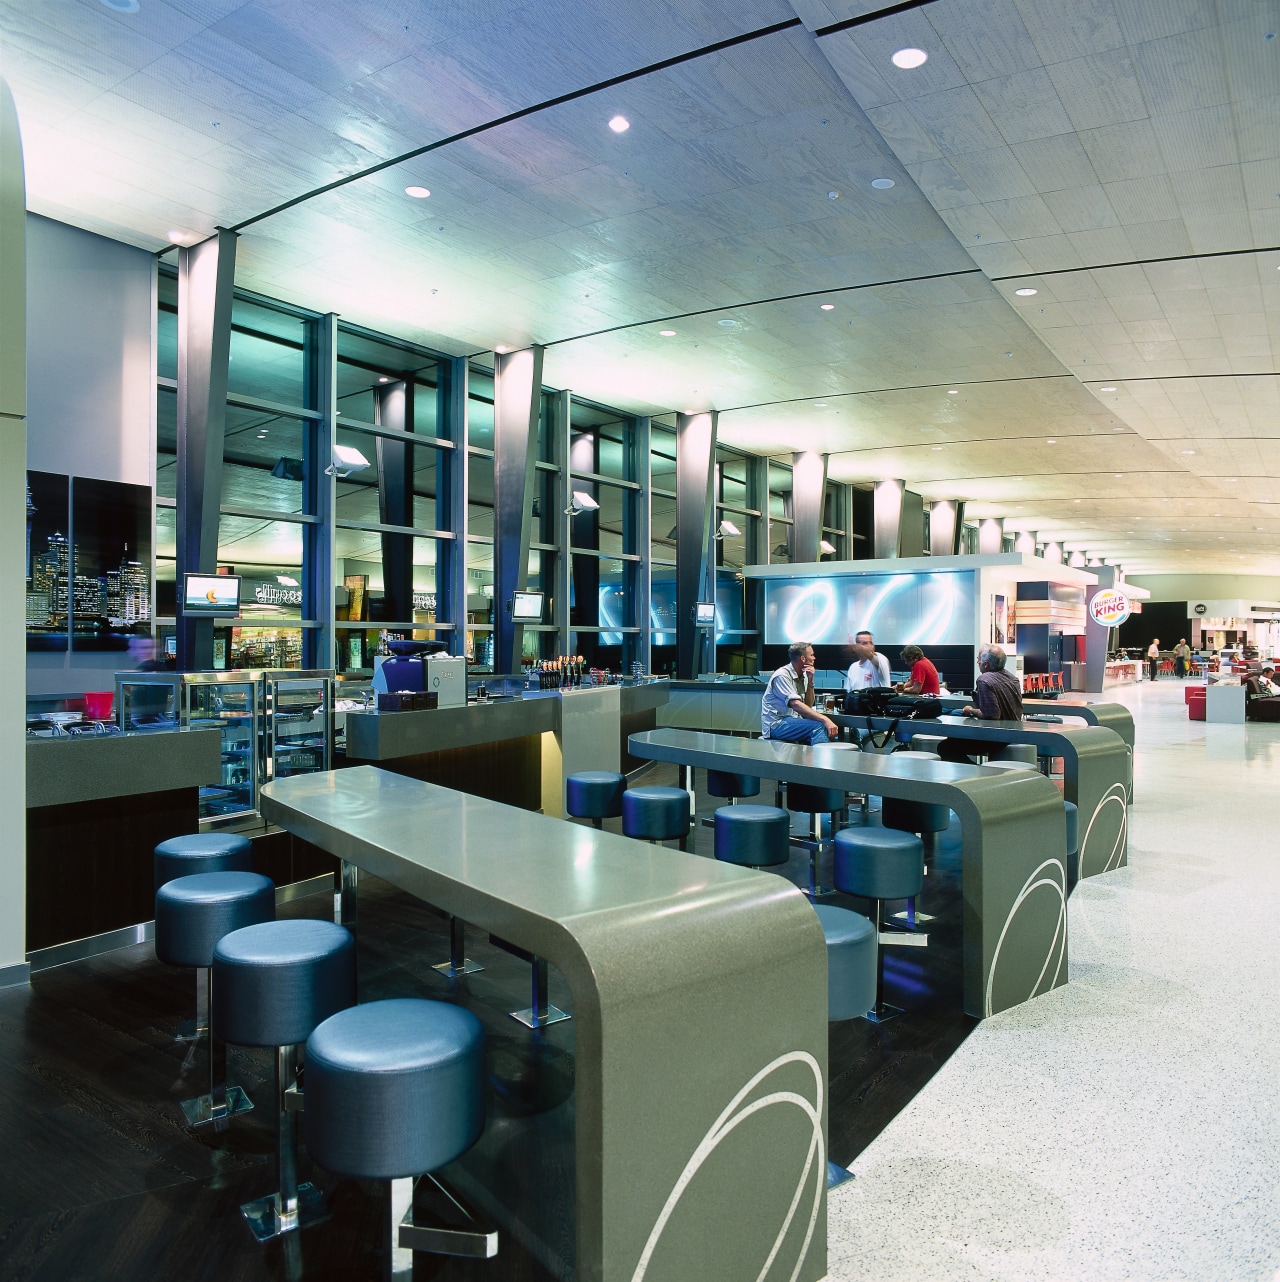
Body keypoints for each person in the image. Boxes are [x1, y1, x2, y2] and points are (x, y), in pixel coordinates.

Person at [761, 641, 837, 745]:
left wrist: (810, 680)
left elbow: (808, 705)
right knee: (819, 727)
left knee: (826, 729)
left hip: (793, 720)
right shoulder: (782, 675)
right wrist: (825, 719)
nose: (814, 658)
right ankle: (819, 761)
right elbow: (795, 704)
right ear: (803, 658)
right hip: (777, 724)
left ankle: (810, 759)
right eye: (812, 655)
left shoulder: (804, 674)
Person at [960, 645, 1023, 721]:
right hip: (1016, 727)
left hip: (999, 730)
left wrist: (970, 710)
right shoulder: (1013, 678)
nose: (978, 662)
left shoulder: (984, 680)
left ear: (986, 664)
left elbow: (992, 715)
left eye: (978, 659)